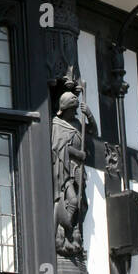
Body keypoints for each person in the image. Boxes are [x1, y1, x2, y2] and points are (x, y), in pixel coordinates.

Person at [51, 91, 91, 259]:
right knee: (73, 200)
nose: (74, 112)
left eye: (76, 110)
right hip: (64, 170)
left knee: (81, 203)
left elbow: (93, 131)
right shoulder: (57, 123)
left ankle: (73, 231)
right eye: (72, 109)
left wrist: (89, 115)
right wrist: (78, 153)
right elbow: (58, 147)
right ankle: (65, 228)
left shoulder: (77, 123)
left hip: (77, 171)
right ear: (65, 108)